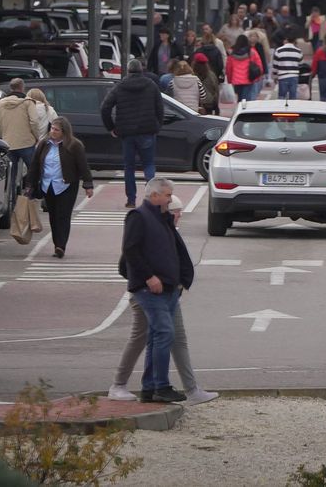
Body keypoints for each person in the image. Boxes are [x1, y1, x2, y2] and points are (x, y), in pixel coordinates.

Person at [109, 191, 218, 405]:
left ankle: (181, 389)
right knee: (151, 337)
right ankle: (123, 384)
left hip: (165, 293)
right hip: (149, 294)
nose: (178, 217)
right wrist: (146, 281)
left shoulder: (166, 229)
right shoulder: (148, 224)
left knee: (166, 338)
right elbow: (127, 261)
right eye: (176, 212)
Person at [119, 177, 193, 403]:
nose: (170, 199)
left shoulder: (162, 218)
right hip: (149, 289)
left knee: (155, 336)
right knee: (164, 333)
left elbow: (172, 250)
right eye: (168, 195)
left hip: (168, 288)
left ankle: (149, 388)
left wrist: (179, 280)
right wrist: (149, 277)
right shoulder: (139, 217)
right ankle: (161, 385)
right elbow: (130, 250)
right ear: (155, 195)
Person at [25, 117, 94, 259]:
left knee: (63, 216)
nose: (53, 132)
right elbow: (35, 166)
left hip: (66, 185)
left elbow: (83, 166)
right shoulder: (44, 144)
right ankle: (57, 243)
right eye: (52, 129)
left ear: (64, 132)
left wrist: (88, 184)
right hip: (48, 185)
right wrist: (30, 185)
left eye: (56, 130)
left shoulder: (74, 145)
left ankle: (60, 246)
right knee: (53, 216)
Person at [100, 60, 165, 208]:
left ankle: (131, 200)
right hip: (147, 131)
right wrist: (157, 126)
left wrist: (111, 127)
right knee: (148, 164)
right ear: (141, 70)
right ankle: (152, 198)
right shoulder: (151, 85)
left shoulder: (120, 87)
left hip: (127, 133)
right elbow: (160, 108)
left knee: (129, 167)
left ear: (128, 71)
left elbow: (105, 108)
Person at [0, 77, 40, 185]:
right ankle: (32, 195)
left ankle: (11, 199)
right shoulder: (28, 102)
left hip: (8, 143)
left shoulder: (0, 103)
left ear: (11, 88)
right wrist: (36, 136)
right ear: (22, 87)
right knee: (34, 171)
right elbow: (34, 121)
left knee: (10, 175)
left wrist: (3, 135)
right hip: (27, 142)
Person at [226, 34, 264, 103]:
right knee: (247, 98)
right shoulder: (252, 52)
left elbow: (229, 68)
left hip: (236, 80)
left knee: (240, 98)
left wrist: (229, 80)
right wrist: (258, 77)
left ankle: (240, 108)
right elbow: (259, 64)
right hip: (249, 79)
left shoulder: (232, 54)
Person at [272, 35, 304, 101]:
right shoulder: (298, 51)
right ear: (294, 41)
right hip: (294, 76)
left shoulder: (279, 50)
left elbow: (275, 65)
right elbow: (301, 65)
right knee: (293, 97)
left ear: (286, 40)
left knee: (281, 97)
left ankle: (281, 110)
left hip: (282, 76)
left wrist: (275, 76)